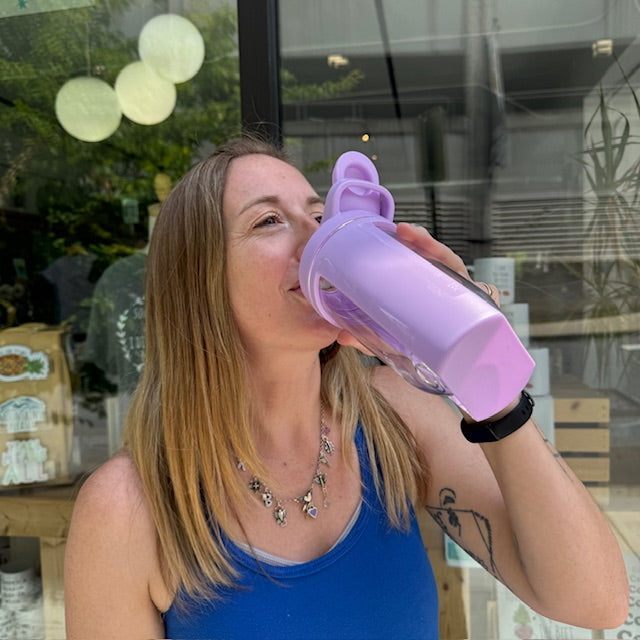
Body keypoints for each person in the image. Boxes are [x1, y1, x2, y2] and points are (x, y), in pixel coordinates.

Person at [63, 136, 629, 639]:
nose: (317, 239)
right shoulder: (128, 509)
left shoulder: (395, 418)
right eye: (268, 221)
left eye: (320, 215)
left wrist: (481, 369)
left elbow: (594, 602)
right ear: (199, 282)